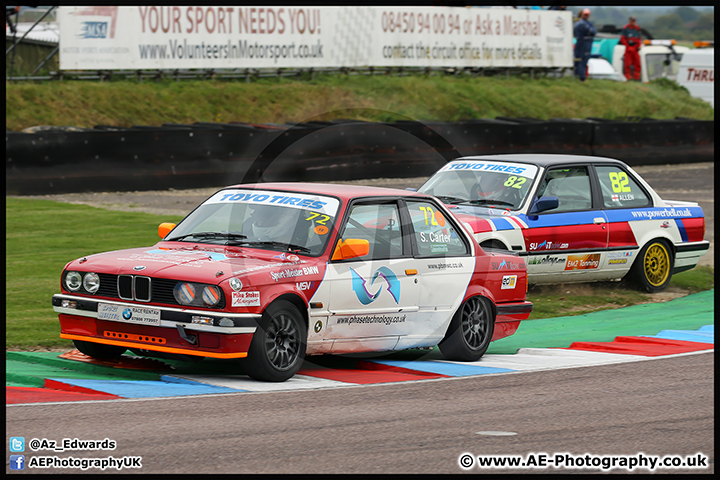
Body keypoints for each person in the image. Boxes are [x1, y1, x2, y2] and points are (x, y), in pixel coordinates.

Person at [573, 8, 596, 81]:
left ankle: (580, 76)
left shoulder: (588, 23)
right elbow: (589, 31)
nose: (586, 16)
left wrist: (589, 32)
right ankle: (580, 76)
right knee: (580, 60)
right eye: (585, 15)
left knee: (585, 60)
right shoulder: (581, 23)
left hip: (587, 44)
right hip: (581, 43)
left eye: (587, 15)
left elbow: (594, 31)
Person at [619, 16, 643, 81]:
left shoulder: (637, 28)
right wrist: (628, 46)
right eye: (632, 21)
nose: (633, 22)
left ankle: (637, 77)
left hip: (635, 49)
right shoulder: (625, 28)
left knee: (637, 64)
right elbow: (622, 39)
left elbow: (639, 38)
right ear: (629, 21)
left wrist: (638, 46)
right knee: (628, 64)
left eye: (634, 21)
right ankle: (628, 77)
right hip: (629, 48)